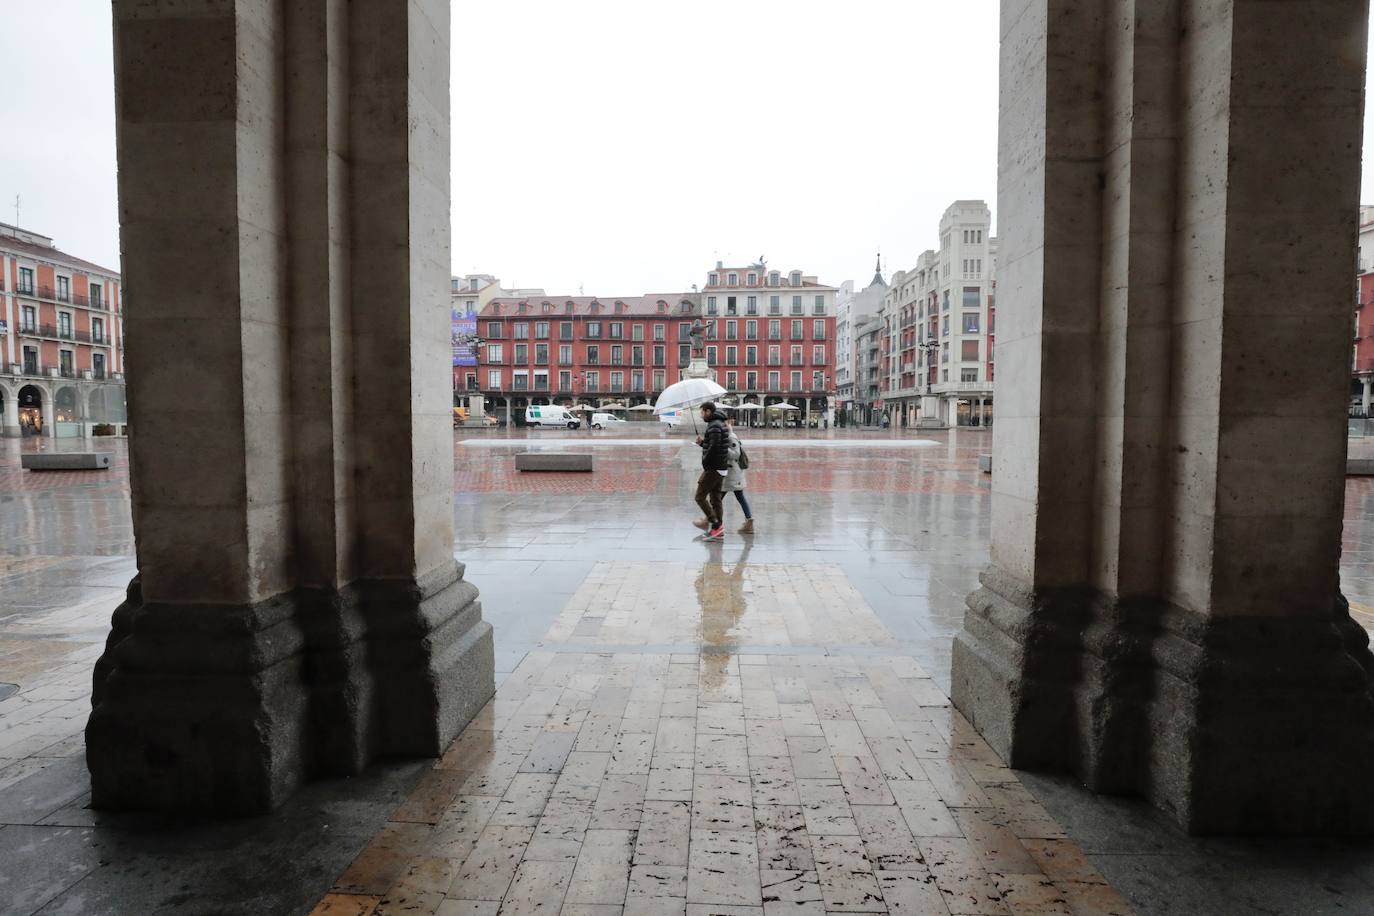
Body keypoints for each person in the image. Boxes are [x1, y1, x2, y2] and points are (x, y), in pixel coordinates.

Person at [691, 401, 730, 541]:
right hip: (721, 467)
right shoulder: (718, 423)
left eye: (702, 412)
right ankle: (718, 531)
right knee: (715, 499)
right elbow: (714, 444)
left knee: (699, 497)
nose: (701, 415)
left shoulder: (714, 426)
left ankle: (715, 524)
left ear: (708, 411)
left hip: (713, 467)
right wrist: (702, 443)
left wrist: (705, 461)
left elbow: (714, 448)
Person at [723, 414, 755, 534]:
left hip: (731, 473)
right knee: (739, 496)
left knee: (718, 497)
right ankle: (749, 521)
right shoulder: (729, 436)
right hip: (732, 473)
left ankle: (710, 520)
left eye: (724, 423)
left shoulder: (731, 437)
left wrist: (722, 447)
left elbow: (735, 454)